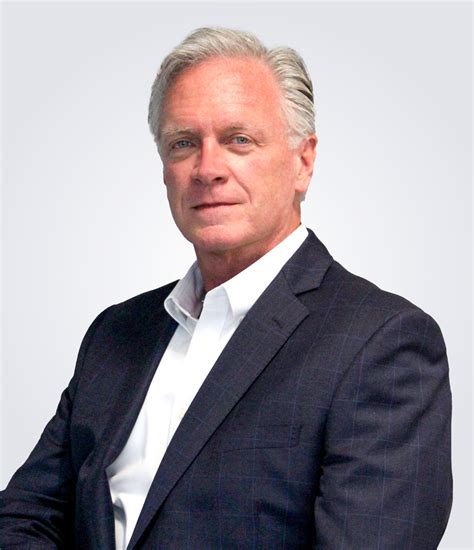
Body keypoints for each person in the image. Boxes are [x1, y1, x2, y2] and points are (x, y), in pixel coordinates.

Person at [0, 27, 452, 549]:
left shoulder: (382, 343)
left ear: (303, 162)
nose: (208, 169)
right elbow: (24, 518)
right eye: (184, 143)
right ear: (164, 169)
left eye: (239, 140)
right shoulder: (116, 333)